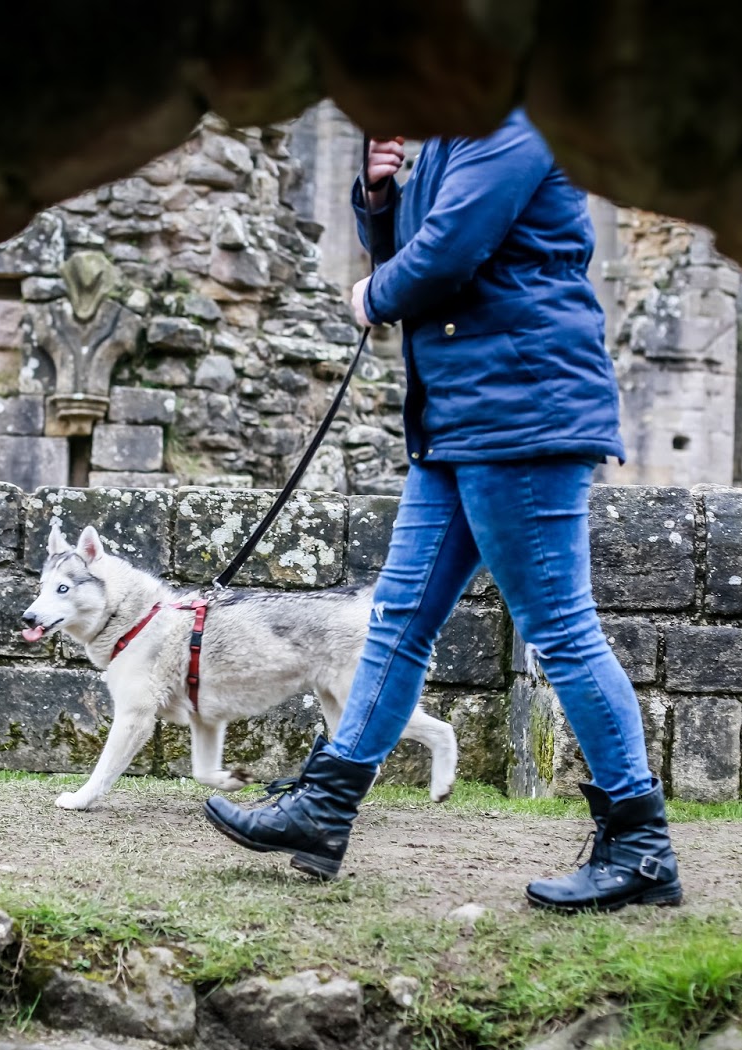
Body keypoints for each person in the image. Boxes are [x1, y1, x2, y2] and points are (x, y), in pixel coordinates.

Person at [203, 109, 682, 913]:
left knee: (560, 629)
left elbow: (448, 255)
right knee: (398, 620)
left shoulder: (515, 127)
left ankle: (640, 849)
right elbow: (406, 244)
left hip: (522, 411)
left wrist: (370, 295)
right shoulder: (449, 144)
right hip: (457, 417)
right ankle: (323, 810)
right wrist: (379, 195)